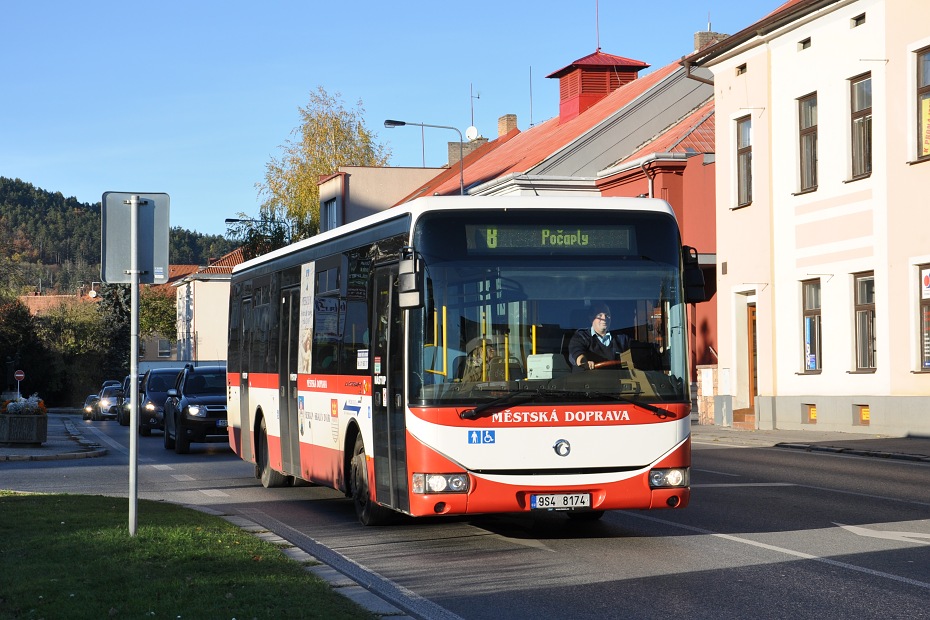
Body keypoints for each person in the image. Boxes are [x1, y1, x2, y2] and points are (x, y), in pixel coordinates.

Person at [568, 304, 630, 370]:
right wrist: (584, 362)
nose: (604, 318)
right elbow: (576, 353)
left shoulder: (622, 338)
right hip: (590, 378)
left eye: (607, 315)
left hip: (618, 378)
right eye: (600, 315)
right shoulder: (581, 336)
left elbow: (634, 354)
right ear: (591, 318)